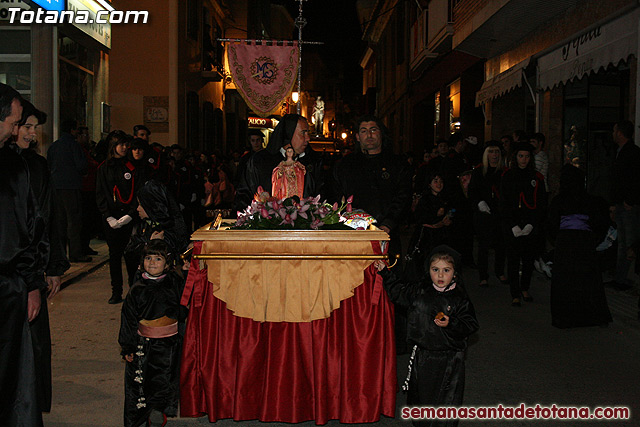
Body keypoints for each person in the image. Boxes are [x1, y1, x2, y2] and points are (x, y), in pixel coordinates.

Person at [10, 100, 70, 418]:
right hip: (10, 266)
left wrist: (52, 266)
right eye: (27, 127)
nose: (32, 135)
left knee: (33, 341)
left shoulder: (38, 166)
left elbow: (49, 217)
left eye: (35, 129)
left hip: (31, 265)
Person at [374, 245, 478, 427]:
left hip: (450, 358)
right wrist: (385, 272)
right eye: (435, 270)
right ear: (428, 270)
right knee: (421, 400)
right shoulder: (419, 291)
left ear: (454, 273)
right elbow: (398, 291)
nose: (440, 275)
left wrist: (451, 322)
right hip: (423, 356)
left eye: (446, 270)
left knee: (446, 402)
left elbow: (470, 324)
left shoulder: (459, 297)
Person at [0, 83, 49, 426]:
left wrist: (33, 282)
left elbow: (30, 226)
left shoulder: (14, 165)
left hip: (7, 287)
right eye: (16, 122)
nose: (18, 130)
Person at [119, 240, 187, 427]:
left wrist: (188, 272)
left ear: (167, 264)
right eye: (148, 258)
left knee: (163, 381)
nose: (152, 263)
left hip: (169, 345)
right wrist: (127, 346)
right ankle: (139, 417)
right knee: (140, 383)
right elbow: (128, 319)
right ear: (141, 263)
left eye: (158, 259)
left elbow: (186, 301)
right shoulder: (137, 289)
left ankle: (157, 413)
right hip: (144, 345)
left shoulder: (174, 282)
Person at [548, 165, 612, 328]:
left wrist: (558, 239)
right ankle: (589, 316)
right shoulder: (591, 201)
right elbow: (601, 223)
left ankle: (566, 317)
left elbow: (551, 224)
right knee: (586, 278)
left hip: (565, 242)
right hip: (584, 242)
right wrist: (592, 239)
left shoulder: (559, 201)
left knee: (566, 280)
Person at [235, 114, 323, 211]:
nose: (308, 138)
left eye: (308, 133)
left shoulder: (314, 162)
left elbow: (322, 198)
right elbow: (244, 197)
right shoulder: (259, 162)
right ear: (288, 134)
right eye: (303, 133)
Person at [500, 142, 547, 306]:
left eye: (527, 156)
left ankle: (525, 287)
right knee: (513, 260)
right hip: (512, 222)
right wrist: (512, 225)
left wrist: (531, 224)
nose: (524, 160)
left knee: (528, 259)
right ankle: (515, 293)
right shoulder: (508, 176)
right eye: (521, 156)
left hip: (529, 223)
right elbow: (504, 202)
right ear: (515, 157)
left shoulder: (536, 177)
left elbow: (541, 203)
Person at [96, 130, 140, 304]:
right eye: (120, 144)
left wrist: (130, 214)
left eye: (125, 144)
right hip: (111, 218)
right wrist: (107, 216)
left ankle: (133, 289)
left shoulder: (131, 167)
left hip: (129, 217)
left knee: (131, 256)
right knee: (114, 256)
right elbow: (100, 194)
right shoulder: (103, 169)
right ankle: (116, 291)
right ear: (112, 146)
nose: (124, 148)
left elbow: (137, 192)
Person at [124, 179, 190, 285]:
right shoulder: (143, 226)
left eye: (141, 205)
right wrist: (149, 243)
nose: (137, 209)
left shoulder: (171, 228)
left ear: (152, 206)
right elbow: (130, 252)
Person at [47, 118, 89, 262]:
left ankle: (60, 254)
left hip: (56, 186)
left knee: (60, 222)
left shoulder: (54, 146)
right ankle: (75, 253)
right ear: (72, 130)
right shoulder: (74, 146)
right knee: (74, 221)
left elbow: (49, 164)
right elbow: (81, 166)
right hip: (71, 186)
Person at [468, 142, 507, 287]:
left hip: (499, 213)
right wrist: (479, 203)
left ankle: (500, 272)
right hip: (483, 214)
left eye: (497, 152)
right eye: (491, 152)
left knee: (501, 245)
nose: (494, 155)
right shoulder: (479, 171)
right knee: (483, 246)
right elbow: (473, 191)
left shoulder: (503, 171)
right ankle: (483, 276)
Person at [607, 120, 640, 291]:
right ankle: (620, 277)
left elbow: (635, 179)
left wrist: (630, 200)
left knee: (629, 242)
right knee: (622, 241)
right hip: (621, 203)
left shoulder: (632, 153)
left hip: (628, 205)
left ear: (620, 133)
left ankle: (624, 278)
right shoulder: (620, 152)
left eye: (614, 130)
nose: (612, 134)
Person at [405, 172, 453, 281]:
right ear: (429, 184)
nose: (439, 184)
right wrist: (436, 216)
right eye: (435, 181)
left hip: (441, 236)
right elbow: (420, 218)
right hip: (427, 237)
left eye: (441, 181)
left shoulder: (445, 198)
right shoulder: (425, 199)